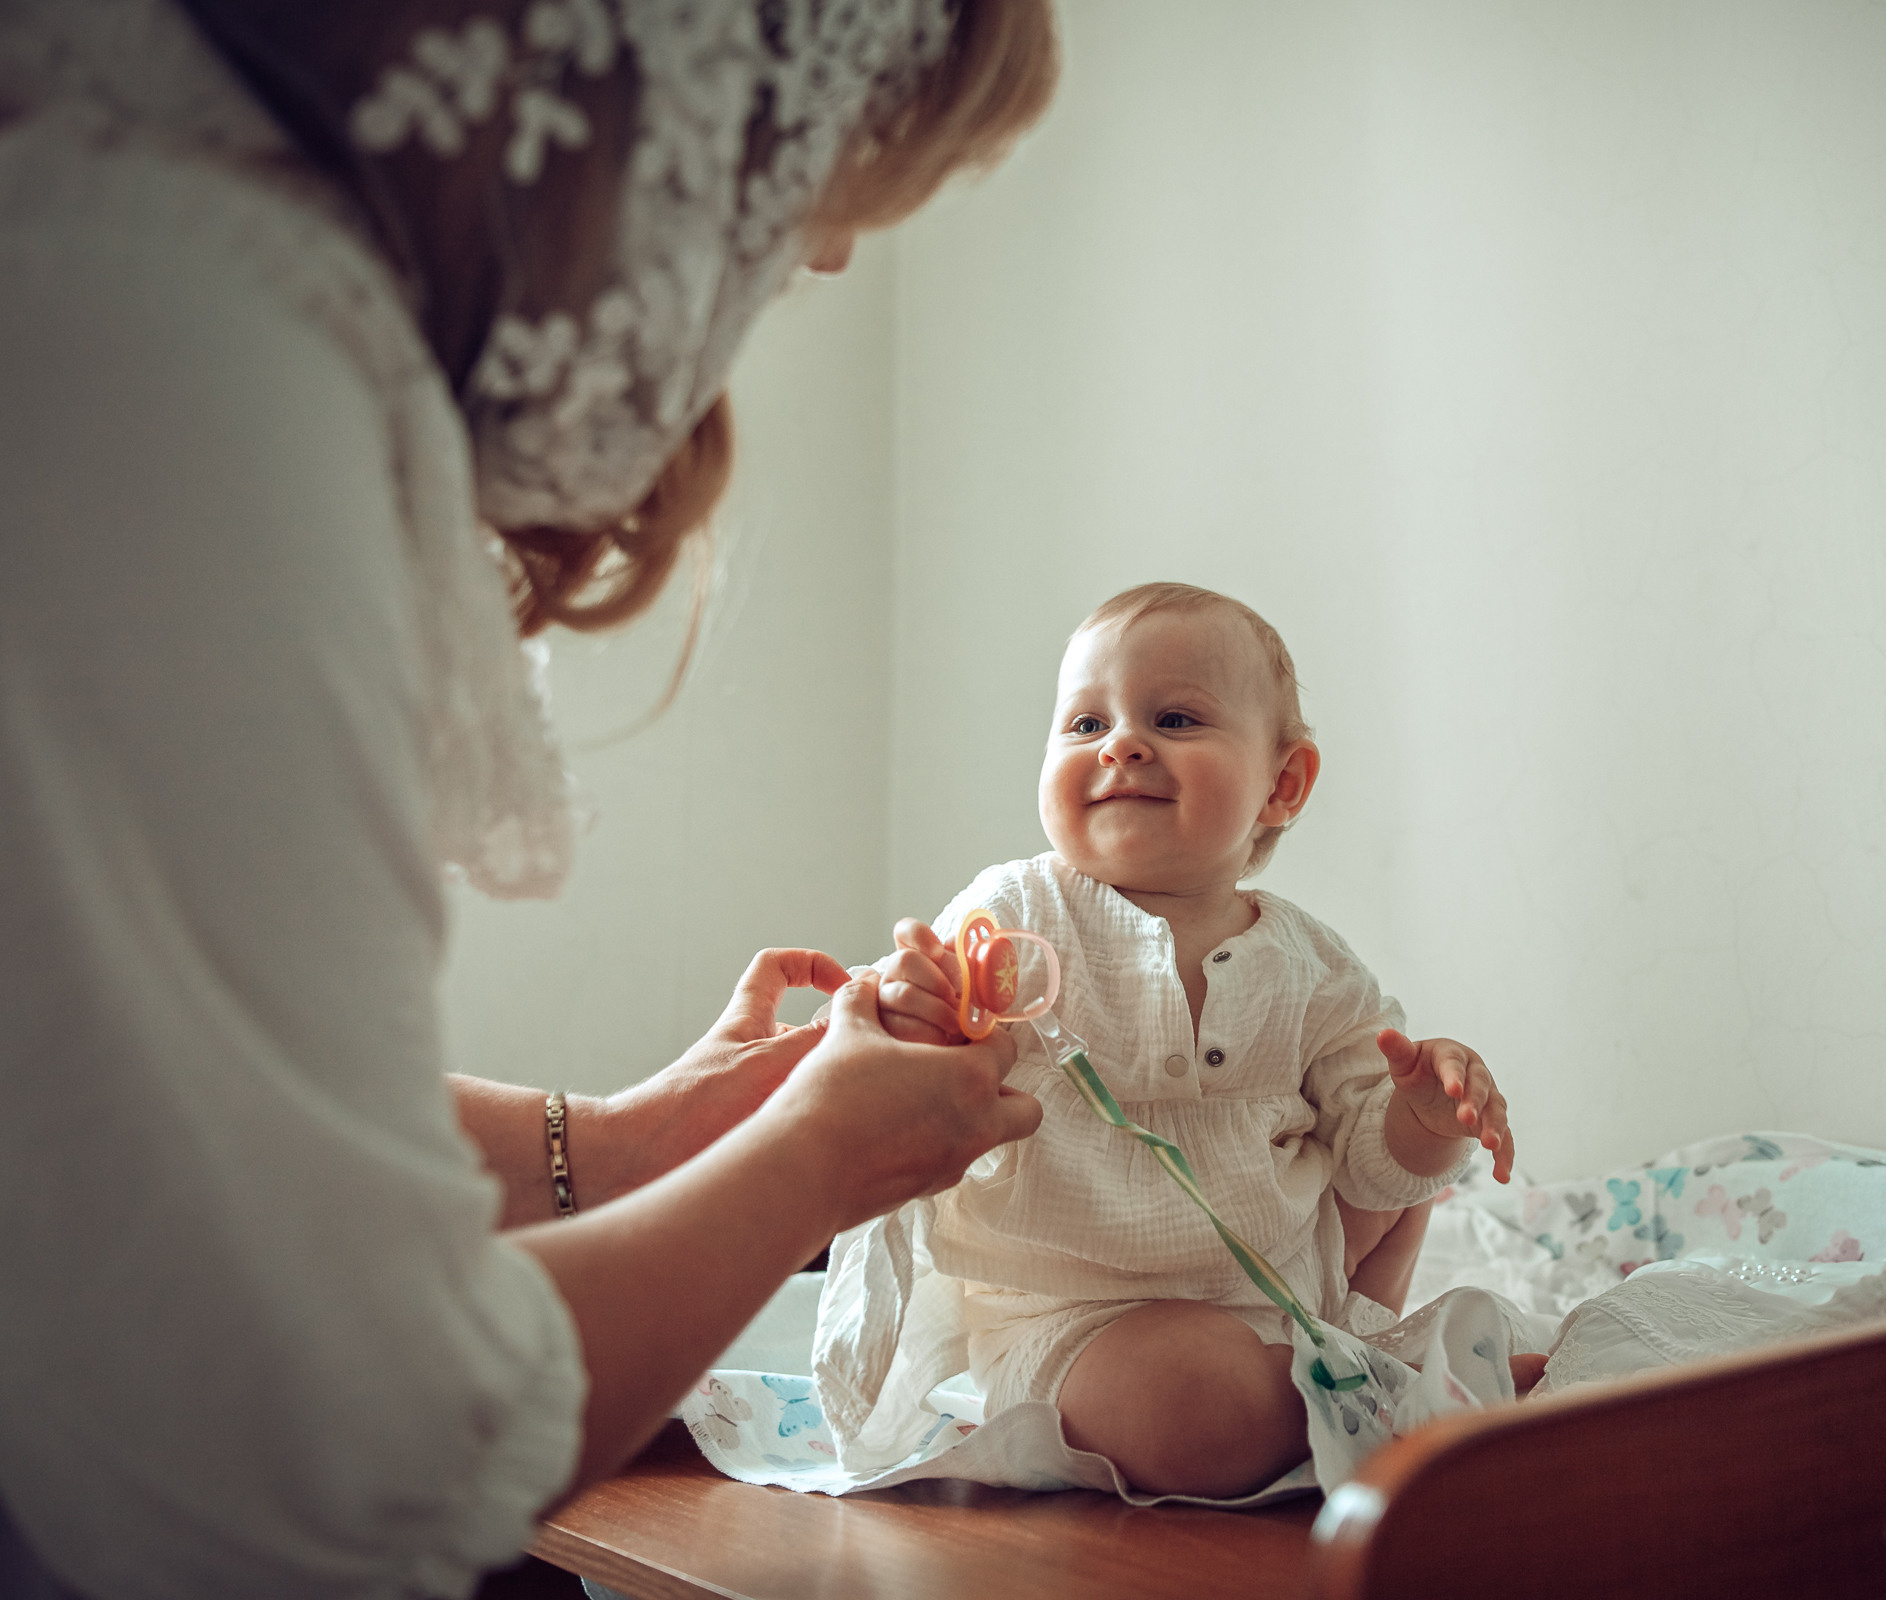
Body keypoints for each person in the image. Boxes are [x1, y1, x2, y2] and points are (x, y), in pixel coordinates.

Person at [0, 0, 1057, 1594]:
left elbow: (121, 1102)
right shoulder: (188, 358)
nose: (824, 261)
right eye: (819, 181)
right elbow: (339, 1439)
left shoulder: (133, 246)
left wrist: (629, 1143)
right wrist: (810, 1168)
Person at [821, 583, 1518, 1499]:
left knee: (1404, 1159)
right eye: (1082, 724)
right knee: (1190, 1407)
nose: (1120, 744)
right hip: (1075, 1321)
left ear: (1282, 784)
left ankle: (1361, 1364)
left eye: (1175, 717)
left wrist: (1429, 1120)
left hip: (1286, 1298)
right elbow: (897, 1073)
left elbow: (1372, 1174)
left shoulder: (1313, 964)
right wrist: (913, 1013)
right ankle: (1394, 1400)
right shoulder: (1016, 913)